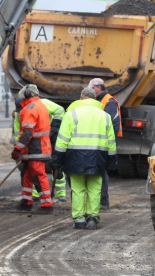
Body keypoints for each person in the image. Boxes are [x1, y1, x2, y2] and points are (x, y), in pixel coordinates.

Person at [52, 87, 117, 230]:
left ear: (81, 97)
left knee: (77, 189)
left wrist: (57, 159)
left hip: (75, 157)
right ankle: (92, 217)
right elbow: (111, 141)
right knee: (95, 189)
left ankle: (79, 220)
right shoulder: (105, 116)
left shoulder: (71, 114)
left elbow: (62, 140)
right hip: (98, 157)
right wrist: (111, 161)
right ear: (95, 98)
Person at [11, 86, 68, 202]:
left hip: (50, 139)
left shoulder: (43, 104)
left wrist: (54, 127)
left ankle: (61, 193)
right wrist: (19, 148)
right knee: (33, 171)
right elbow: (19, 133)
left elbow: (60, 110)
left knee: (55, 167)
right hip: (33, 144)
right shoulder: (19, 113)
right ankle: (36, 194)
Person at [12, 85, 53, 211]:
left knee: (38, 175)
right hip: (37, 148)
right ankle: (26, 201)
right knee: (27, 175)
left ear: (28, 94)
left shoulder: (30, 108)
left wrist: (17, 149)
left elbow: (27, 133)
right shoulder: (40, 106)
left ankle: (46, 205)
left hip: (35, 148)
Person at [87, 78, 121, 210]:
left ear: (98, 88)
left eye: (92, 88)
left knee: (102, 172)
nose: (91, 91)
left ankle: (103, 202)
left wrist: (107, 144)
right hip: (99, 142)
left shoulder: (109, 101)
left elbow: (112, 124)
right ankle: (100, 201)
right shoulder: (101, 100)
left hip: (104, 143)